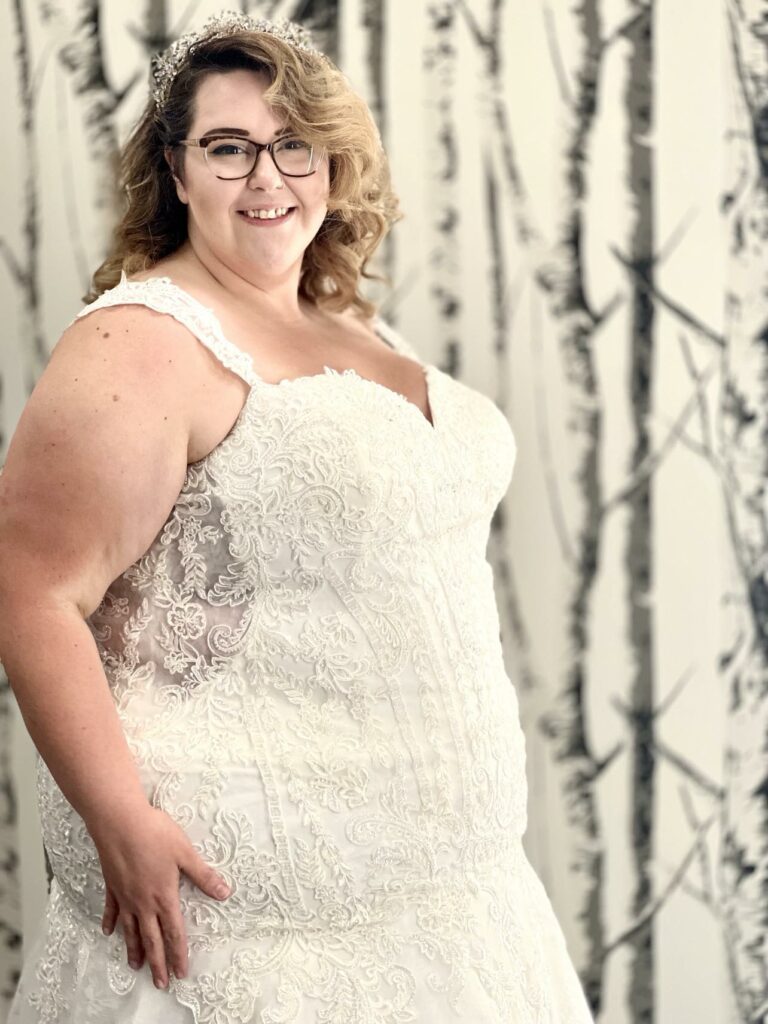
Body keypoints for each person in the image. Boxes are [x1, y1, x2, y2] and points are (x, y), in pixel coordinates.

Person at [0, 11, 595, 1023]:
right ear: (175, 173)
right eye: (229, 149)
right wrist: (118, 819)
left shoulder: (351, 321)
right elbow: (30, 589)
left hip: (456, 906)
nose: (268, 178)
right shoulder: (145, 340)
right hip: (251, 938)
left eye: (293, 146)